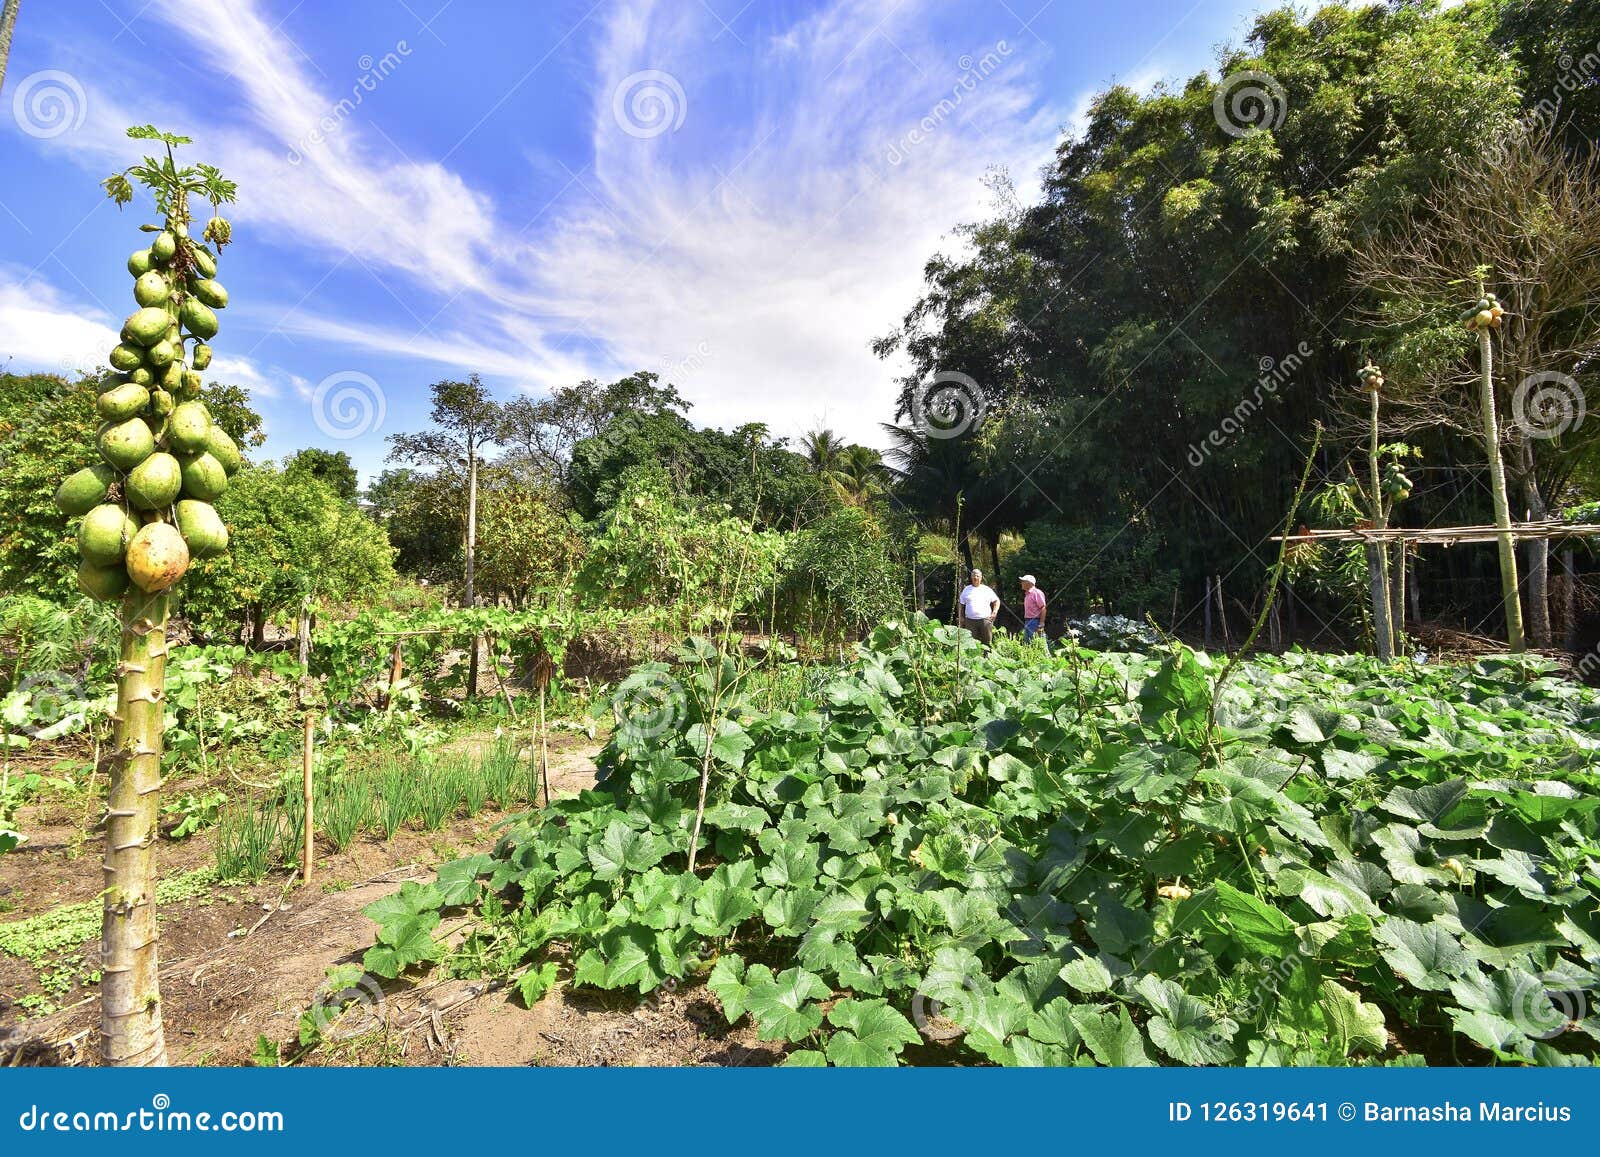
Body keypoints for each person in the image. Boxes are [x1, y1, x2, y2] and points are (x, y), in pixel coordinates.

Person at [958, 569, 999, 645]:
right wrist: (961, 616)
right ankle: (973, 657)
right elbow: (961, 604)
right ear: (971, 577)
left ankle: (987, 656)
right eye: (973, 576)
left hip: (985, 620)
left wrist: (994, 612)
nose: (975, 578)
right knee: (970, 643)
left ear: (981, 577)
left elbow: (996, 601)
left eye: (977, 576)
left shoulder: (986, 589)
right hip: (970, 621)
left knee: (987, 642)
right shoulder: (966, 589)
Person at [1020, 575, 1050, 651]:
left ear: (1029, 583)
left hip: (1035, 622)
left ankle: (1048, 660)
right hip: (1028, 621)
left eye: (1023, 581)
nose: (1021, 583)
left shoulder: (1037, 593)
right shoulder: (1027, 594)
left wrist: (1041, 624)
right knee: (1028, 644)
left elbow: (1043, 608)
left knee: (1040, 643)